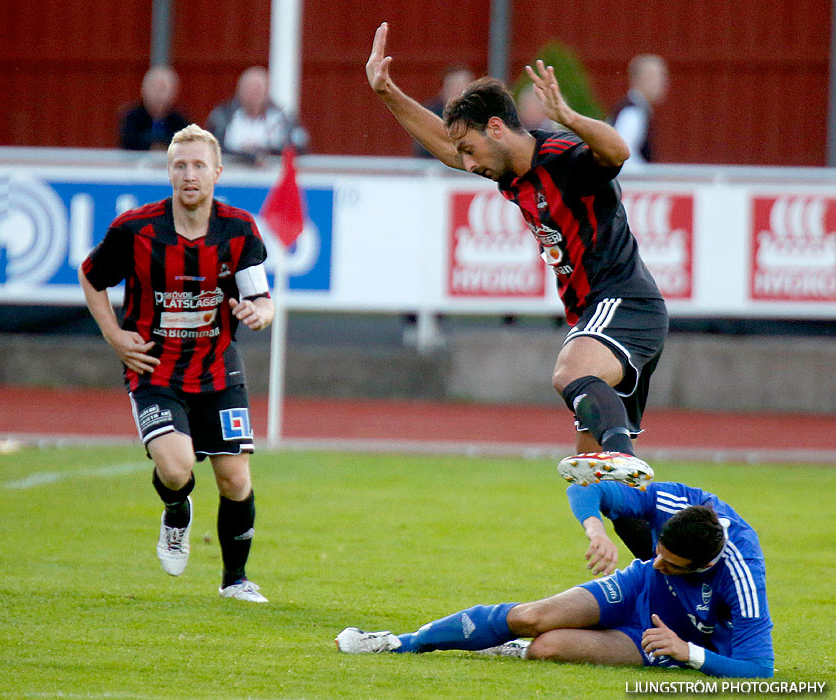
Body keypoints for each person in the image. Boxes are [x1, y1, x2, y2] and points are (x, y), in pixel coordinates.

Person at [366, 22, 668, 559]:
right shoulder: (512, 173)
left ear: (498, 128)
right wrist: (388, 92)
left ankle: (624, 460)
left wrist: (573, 119)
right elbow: (441, 142)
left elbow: (618, 151)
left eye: (470, 148)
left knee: (570, 373)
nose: (465, 162)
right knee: (600, 488)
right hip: (597, 318)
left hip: (625, 302)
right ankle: (673, 578)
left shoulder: (564, 159)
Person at [79, 124, 274, 603]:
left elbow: (262, 297)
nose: (190, 175)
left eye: (199, 166)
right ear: (169, 172)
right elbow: (90, 275)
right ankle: (176, 510)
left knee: (235, 477)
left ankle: (236, 580)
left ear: (217, 173)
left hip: (217, 369)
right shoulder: (136, 229)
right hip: (154, 369)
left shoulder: (240, 229)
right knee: (176, 469)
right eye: (180, 165)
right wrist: (114, 335)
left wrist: (260, 313)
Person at [335, 478, 774, 678]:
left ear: (701, 566)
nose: (659, 561)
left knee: (548, 648)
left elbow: (761, 669)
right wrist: (596, 528)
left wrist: (688, 653)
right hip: (636, 589)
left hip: (665, 637)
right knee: (532, 616)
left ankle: (510, 647)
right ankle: (399, 642)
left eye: (672, 563)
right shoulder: (678, 503)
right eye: (658, 551)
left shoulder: (742, 576)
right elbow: (584, 487)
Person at [206, 66, 310, 162]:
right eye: (248, 89)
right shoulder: (222, 117)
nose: (253, 96)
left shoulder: (283, 119)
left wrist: (267, 152)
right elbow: (209, 146)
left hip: (272, 177)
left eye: (258, 90)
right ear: (239, 90)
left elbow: (300, 147)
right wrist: (245, 156)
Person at [609, 54, 668, 171]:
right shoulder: (632, 112)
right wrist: (646, 176)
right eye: (655, 76)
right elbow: (623, 155)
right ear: (639, 78)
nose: (662, 82)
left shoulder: (637, 109)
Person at [119, 66, 190, 151]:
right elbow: (128, 143)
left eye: (163, 89)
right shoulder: (132, 117)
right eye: (154, 87)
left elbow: (186, 144)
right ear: (143, 89)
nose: (158, 94)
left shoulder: (180, 119)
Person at [413, 65, 475, 157]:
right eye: (454, 86)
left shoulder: (479, 114)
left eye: (464, 86)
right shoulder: (429, 113)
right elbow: (424, 148)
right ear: (443, 88)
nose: (460, 91)